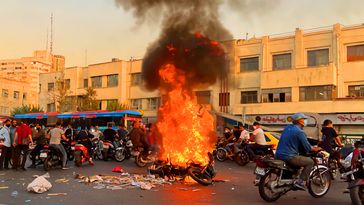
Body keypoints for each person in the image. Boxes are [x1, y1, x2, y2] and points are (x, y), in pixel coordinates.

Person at [275, 113, 322, 190]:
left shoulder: (287, 128)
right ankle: (300, 182)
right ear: (300, 121)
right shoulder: (299, 132)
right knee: (310, 162)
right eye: (304, 119)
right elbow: (307, 148)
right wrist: (315, 148)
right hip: (289, 156)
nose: (305, 121)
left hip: (278, 155)